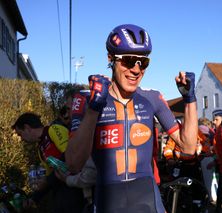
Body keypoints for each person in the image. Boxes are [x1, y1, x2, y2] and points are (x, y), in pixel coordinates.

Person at [65, 24, 198, 213]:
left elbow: (188, 147)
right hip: (107, 201)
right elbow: (73, 163)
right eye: (128, 60)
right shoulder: (85, 99)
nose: (136, 70)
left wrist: (189, 100)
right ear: (110, 58)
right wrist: (94, 108)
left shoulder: (152, 98)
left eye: (143, 63)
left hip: (148, 199)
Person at [12, 112, 85, 213]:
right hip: (60, 194)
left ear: (27, 127)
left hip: (76, 190)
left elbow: (70, 156)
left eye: (20, 134)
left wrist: (47, 180)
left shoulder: (54, 129)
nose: (21, 139)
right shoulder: (40, 149)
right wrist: (33, 198)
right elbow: (50, 177)